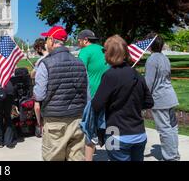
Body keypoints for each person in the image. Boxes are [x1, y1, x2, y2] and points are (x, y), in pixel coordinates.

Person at [92, 35, 154, 162]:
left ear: (109, 53)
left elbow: (97, 104)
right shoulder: (137, 75)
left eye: (104, 51)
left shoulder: (109, 75)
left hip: (115, 132)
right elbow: (149, 102)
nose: (103, 54)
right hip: (139, 134)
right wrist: (133, 105)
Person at [34, 26, 88, 161]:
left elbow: (39, 96)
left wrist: (39, 121)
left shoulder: (45, 64)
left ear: (52, 40)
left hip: (54, 122)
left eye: (47, 39)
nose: (46, 43)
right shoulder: (80, 63)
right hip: (77, 119)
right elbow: (87, 94)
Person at [145, 34, 180, 161]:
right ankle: (174, 154)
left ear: (150, 45)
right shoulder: (165, 58)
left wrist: (142, 98)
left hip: (160, 98)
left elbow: (149, 82)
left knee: (164, 129)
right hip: (170, 95)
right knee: (172, 127)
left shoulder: (152, 59)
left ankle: (171, 157)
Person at [77, 29, 110, 161]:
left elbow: (79, 71)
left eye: (79, 41)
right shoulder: (104, 49)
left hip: (92, 96)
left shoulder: (85, 51)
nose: (78, 43)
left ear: (85, 40)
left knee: (89, 129)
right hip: (108, 94)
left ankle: (88, 158)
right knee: (109, 126)